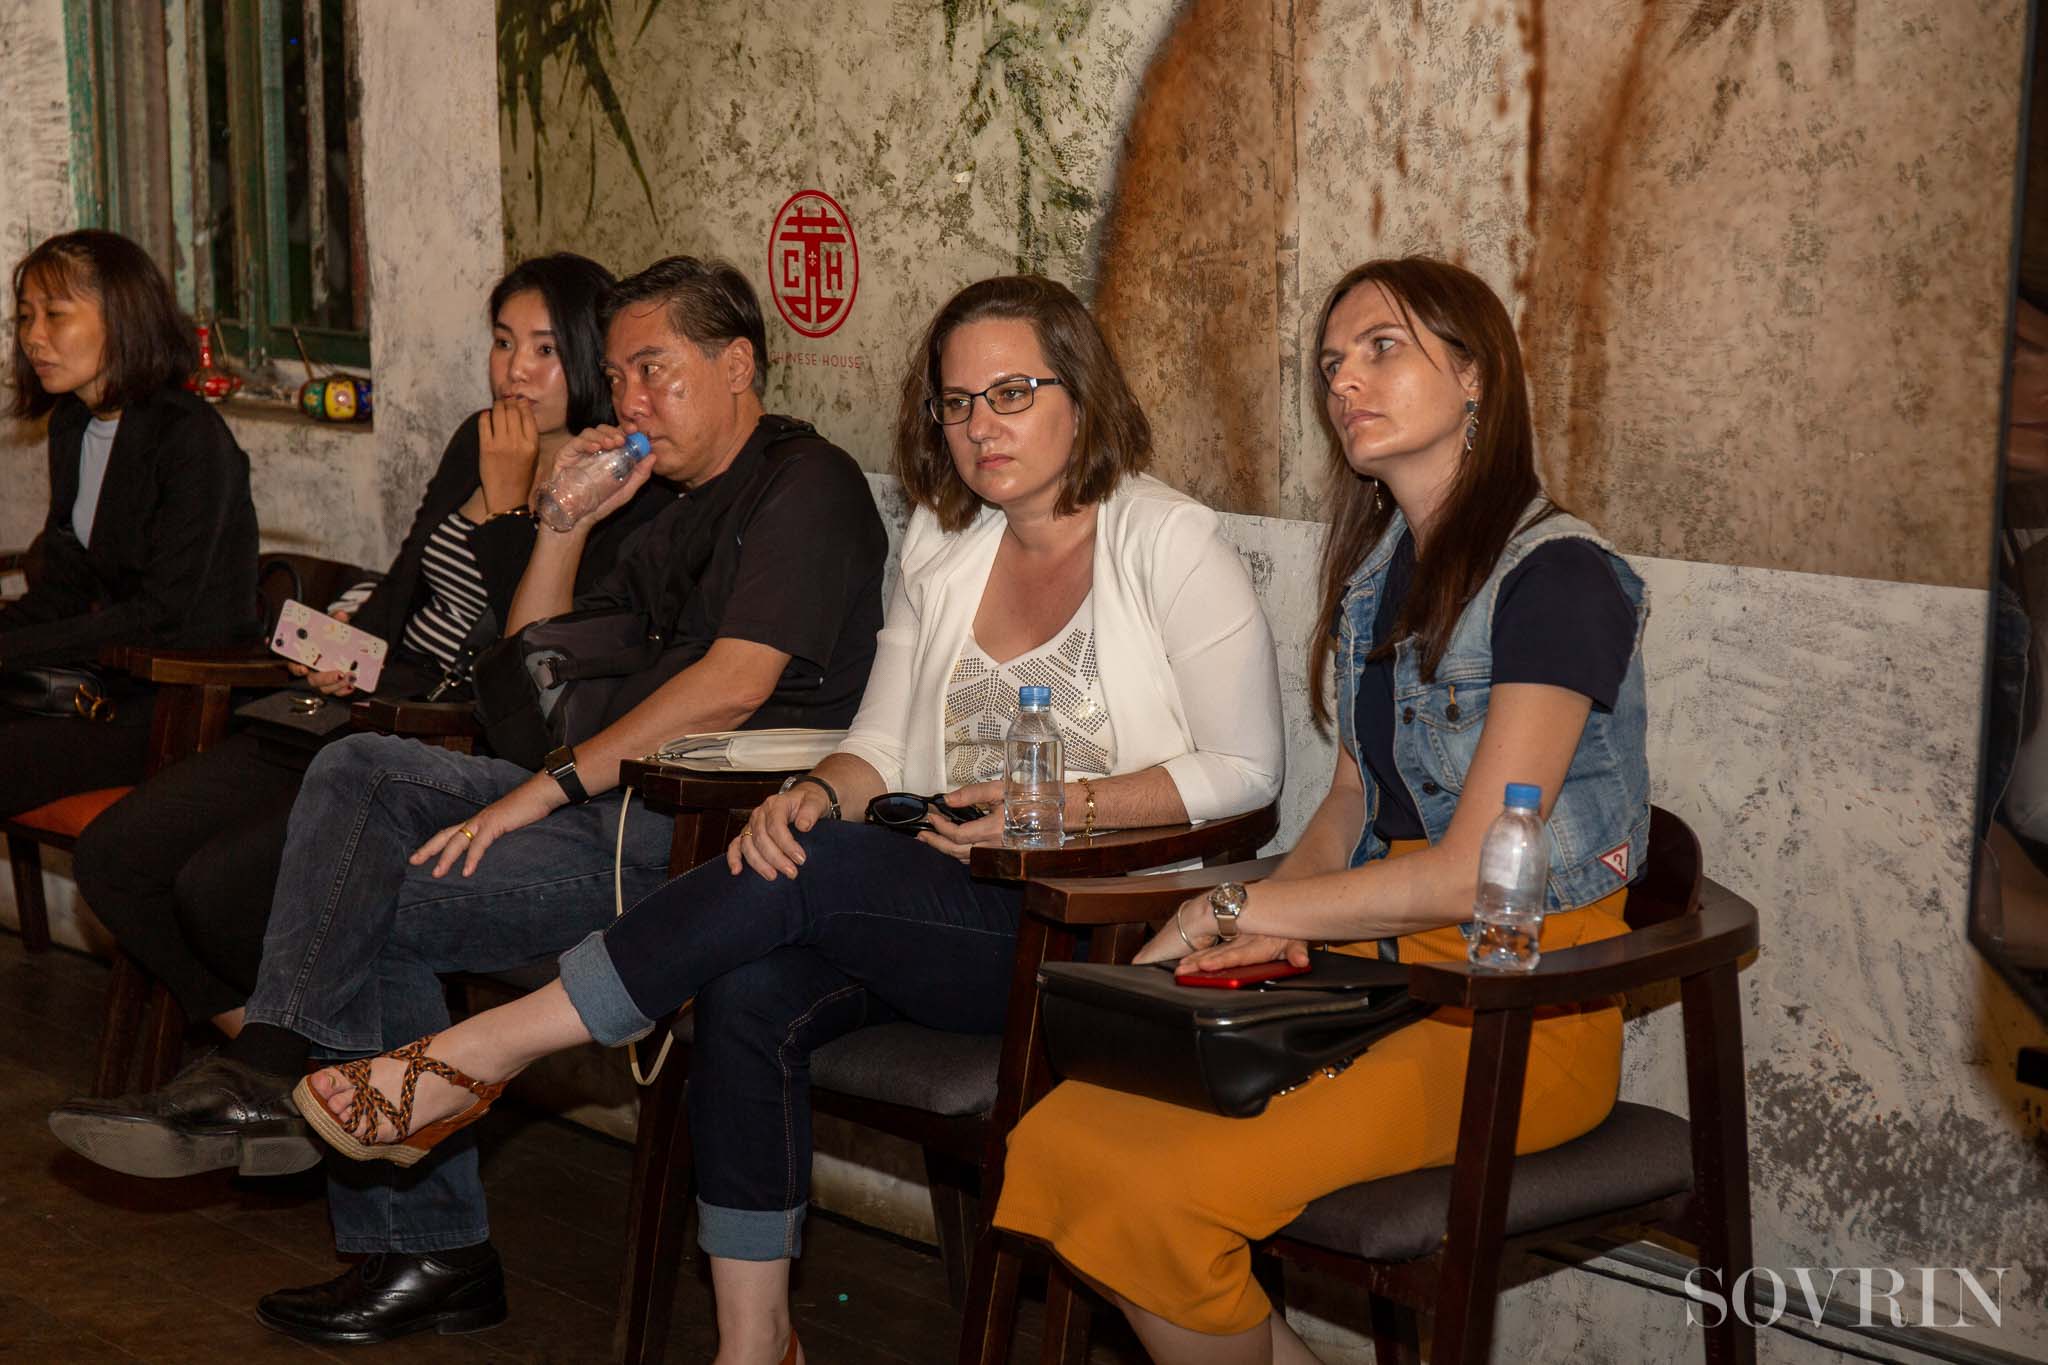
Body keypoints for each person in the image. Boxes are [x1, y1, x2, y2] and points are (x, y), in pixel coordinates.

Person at [277, 274, 1286, 1365]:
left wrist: (1060, 805)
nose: (980, 426)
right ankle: (755, 1345)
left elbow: (1247, 771)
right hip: (937, 900)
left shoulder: (1166, 540)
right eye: (956, 403)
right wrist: (813, 791)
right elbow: (879, 750)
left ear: (1081, 393)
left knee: (819, 866)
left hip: (1087, 927)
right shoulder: (947, 545)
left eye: (1012, 393)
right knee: (752, 974)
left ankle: (486, 1052)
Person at [48, 255, 890, 1347]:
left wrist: (545, 790)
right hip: (599, 803)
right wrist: (562, 522)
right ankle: (275, 1068)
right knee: (360, 773)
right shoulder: (662, 503)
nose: (630, 400)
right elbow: (531, 675)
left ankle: (422, 1243)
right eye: (618, 376)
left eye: (654, 370)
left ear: (737, 366)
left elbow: (733, 682)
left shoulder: (805, 483)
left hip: (702, 841)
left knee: (372, 899)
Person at [990, 257, 1650, 1364]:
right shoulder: (1377, 577)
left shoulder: (1560, 578)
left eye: (1381, 349)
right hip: (1378, 976)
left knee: (1155, 1188)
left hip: (1512, 1008)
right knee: (1062, 1136)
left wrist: (1246, 910)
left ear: (1476, 375)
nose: (1344, 381)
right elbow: (1348, 804)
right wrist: (1241, 923)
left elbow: (1472, 869)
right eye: (1333, 362)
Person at [68, 252, 666, 1042]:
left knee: (216, 891)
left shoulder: (620, 484)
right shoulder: (478, 437)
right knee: (115, 857)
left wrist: (507, 508)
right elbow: (408, 579)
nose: (514, 369)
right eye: (502, 341)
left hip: (439, 740)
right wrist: (344, 645)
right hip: (359, 702)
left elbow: (532, 669)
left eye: (545, 349)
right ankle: (283, 1052)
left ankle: (306, 1067)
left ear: (592, 358)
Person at [1, 229, 259, 816]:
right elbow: (65, 589)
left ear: (121, 319)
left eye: (55, 315)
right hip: (98, 680)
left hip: (177, 700)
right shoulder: (72, 425)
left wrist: (13, 649)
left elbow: (163, 614)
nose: (33, 337)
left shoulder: (190, 437)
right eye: (25, 317)